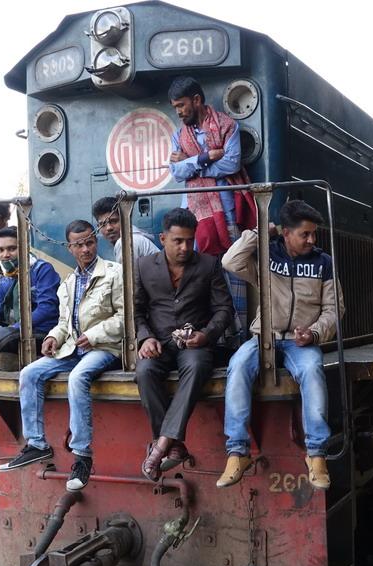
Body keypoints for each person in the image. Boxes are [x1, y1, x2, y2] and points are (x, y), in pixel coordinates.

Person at [217, 200, 344, 490]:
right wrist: (263, 231)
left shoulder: (324, 263)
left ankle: (316, 455)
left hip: (301, 342)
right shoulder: (266, 254)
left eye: (314, 234)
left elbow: (334, 309)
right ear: (286, 233)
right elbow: (229, 261)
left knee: (313, 371)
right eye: (305, 234)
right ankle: (237, 452)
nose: (312, 240)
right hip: (264, 337)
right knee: (237, 366)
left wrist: (313, 333)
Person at [0, 220, 124, 492]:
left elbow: (125, 317)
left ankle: (82, 456)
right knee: (29, 373)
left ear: (96, 242)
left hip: (104, 348)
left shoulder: (115, 273)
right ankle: (36, 444)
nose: (85, 249)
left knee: (78, 378)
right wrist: (53, 337)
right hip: (72, 349)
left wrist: (94, 335)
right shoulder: (68, 283)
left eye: (89, 242)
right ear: (70, 248)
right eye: (79, 245)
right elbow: (65, 322)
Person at [135, 208, 233, 481]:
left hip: (195, 344)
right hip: (159, 343)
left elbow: (224, 309)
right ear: (162, 238)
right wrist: (145, 337)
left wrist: (207, 335)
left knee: (197, 366)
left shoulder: (208, 264)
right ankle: (173, 444)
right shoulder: (144, 266)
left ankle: (160, 446)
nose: (185, 247)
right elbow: (137, 311)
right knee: (144, 371)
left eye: (190, 241)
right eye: (178, 241)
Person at [168, 76, 256, 343]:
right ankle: (205, 337)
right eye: (175, 107)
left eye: (181, 105)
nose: (179, 112)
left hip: (227, 214)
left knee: (233, 274)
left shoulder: (228, 125)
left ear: (196, 100)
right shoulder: (178, 135)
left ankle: (237, 339)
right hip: (194, 219)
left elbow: (231, 164)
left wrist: (191, 164)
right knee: (199, 279)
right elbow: (176, 172)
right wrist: (205, 157)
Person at [0, 227, 62, 371]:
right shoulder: (6, 280)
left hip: (38, 334)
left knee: (7, 338)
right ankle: (6, 357)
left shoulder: (42, 270)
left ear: (24, 247)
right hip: (8, 336)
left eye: (12, 249)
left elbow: (47, 309)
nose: (5, 255)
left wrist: (11, 330)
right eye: (0, 250)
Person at [91, 196, 160, 265]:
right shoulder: (133, 238)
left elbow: (128, 272)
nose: (109, 228)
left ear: (125, 220)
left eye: (114, 221)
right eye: (103, 224)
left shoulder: (127, 241)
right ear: (98, 227)